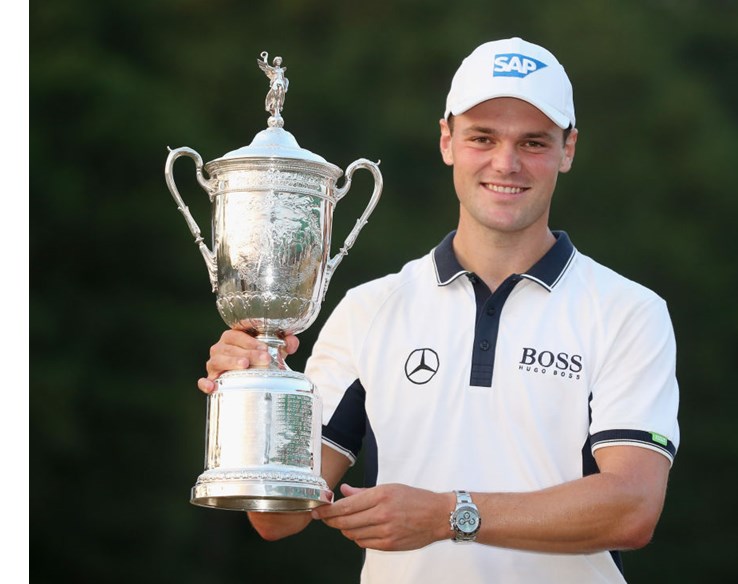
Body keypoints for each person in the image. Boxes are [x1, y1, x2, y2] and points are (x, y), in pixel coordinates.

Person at [198, 37, 680, 584]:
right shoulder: (371, 309)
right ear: (447, 139)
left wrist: (449, 515)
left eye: (534, 143)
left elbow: (633, 507)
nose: (507, 163)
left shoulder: (627, 311)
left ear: (569, 149)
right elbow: (275, 519)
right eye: (482, 138)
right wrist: (257, 396)